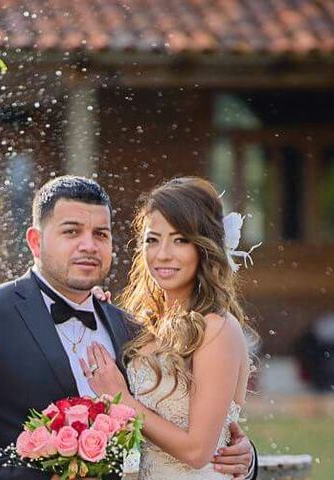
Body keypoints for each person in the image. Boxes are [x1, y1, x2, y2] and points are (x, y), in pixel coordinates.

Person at [0, 176, 256, 479]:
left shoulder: (129, 327)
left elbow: (194, 428)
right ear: (36, 242)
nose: (88, 245)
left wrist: (244, 457)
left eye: (100, 234)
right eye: (71, 232)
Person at [82, 177, 257, 479]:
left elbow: (197, 451)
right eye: (153, 239)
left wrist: (121, 399)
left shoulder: (217, 328)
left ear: (205, 247)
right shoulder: (144, 325)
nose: (163, 254)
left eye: (179, 240)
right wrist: (95, 309)